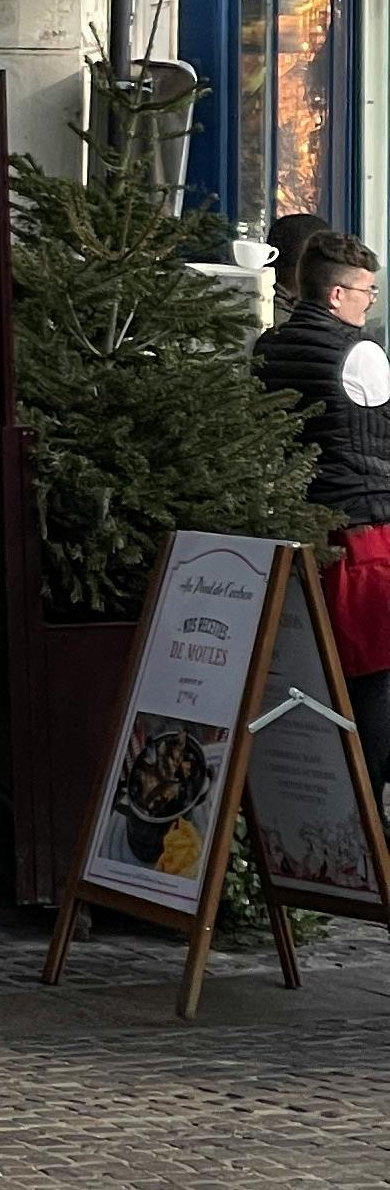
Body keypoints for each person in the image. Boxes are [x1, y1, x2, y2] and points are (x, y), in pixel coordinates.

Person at [253, 229, 390, 791]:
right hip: (364, 534)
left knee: (312, 674)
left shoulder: (267, 346)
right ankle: (373, 818)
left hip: (298, 531)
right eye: (366, 291)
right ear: (336, 295)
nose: (371, 301)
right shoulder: (361, 353)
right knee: (374, 681)